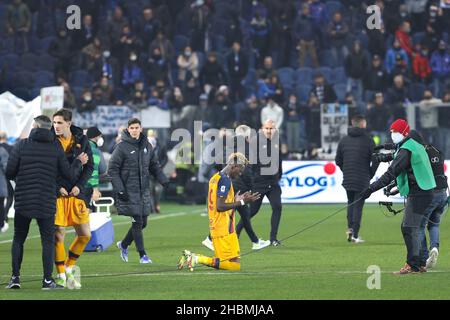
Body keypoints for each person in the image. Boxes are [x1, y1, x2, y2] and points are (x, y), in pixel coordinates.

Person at [5, 116, 88, 290]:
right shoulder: (55, 147)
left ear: (35, 126)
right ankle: (46, 281)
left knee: (19, 238)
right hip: (46, 200)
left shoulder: (21, 145)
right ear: (48, 127)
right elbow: (68, 175)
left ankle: (15, 278)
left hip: (23, 200)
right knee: (48, 241)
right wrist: (78, 162)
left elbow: (9, 171)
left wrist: (22, 178)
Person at [360, 119, 436, 275]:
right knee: (413, 228)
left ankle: (413, 265)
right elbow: (396, 153)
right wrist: (383, 150)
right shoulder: (413, 145)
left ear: (404, 133)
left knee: (409, 227)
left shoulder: (406, 149)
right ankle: (420, 263)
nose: (392, 135)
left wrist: (370, 189)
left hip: (419, 192)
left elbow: (391, 173)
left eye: (394, 132)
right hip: (426, 191)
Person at [178, 153, 261, 271]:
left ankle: (194, 257)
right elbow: (220, 206)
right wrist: (243, 202)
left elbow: (217, 201)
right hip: (223, 228)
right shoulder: (225, 181)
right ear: (234, 166)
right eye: (240, 170)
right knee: (233, 265)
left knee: (233, 262)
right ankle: (196, 258)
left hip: (219, 227)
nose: (240, 173)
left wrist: (236, 200)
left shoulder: (215, 177)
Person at [202, 125, 271, 251]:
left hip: (228, 180)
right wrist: (250, 187)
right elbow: (247, 170)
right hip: (239, 184)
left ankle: (253, 241)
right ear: (246, 136)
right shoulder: (246, 148)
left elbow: (218, 161)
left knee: (243, 213)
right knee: (236, 211)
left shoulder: (228, 145)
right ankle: (211, 239)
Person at [109, 118, 169, 264]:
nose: (134, 130)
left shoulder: (147, 146)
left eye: (137, 127)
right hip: (129, 191)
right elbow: (112, 169)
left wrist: (163, 179)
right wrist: (120, 189)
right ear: (128, 130)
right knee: (137, 222)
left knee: (143, 223)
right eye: (132, 128)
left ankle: (123, 244)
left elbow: (154, 165)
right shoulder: (121, 147)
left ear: (141, 129)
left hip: (143, 190)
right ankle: (143, 255)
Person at [52, 109, 94, 289]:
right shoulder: (50, 141)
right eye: (54, 123)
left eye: (59, 123)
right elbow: (48, 168)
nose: (56, 126)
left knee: (85, 235)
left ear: (69, 123)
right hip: (58, 194)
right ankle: (61, 275)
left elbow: (89, 166)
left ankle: (68, 268)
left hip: (76, 193)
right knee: (58, 234)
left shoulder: (82, 140)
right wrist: (57, 187)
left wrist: (79, 186)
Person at [236, 119, 283, 246]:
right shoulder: (255, 142)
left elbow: (279, 160)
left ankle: (273, 239)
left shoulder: (277, 141)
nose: (269, 131)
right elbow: (251, 163)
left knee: (277, 207)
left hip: (273, 183)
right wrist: (253, 181)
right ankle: (236, 232)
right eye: (267, 128)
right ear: (262, 129)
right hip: (259, 183)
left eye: (271, 128)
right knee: (252, 211)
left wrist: (279, 175)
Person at [335, 115, 379, 243]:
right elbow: (376, 160)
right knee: (358, 206)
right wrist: (370, 173)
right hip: (362, 178)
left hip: (348, 178)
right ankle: (355, 234)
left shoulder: (343, 140)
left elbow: (338, 160)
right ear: (363, 124)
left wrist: (346, 170)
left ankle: (350, 229)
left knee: (350, 203)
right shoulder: (369, 141)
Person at [85, 127, 106, 210]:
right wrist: (95, 189)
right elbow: (93, 170)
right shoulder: (94, 150)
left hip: (77, 186)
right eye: (100, 136)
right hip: (87, 186)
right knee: (87, 214)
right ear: (96, 137)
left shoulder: (82, 147)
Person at [0, 145, 8, 233]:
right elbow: (6, 168)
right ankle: (1, 224)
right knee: (1, 205)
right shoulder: (2, 151)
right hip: (0, 185)